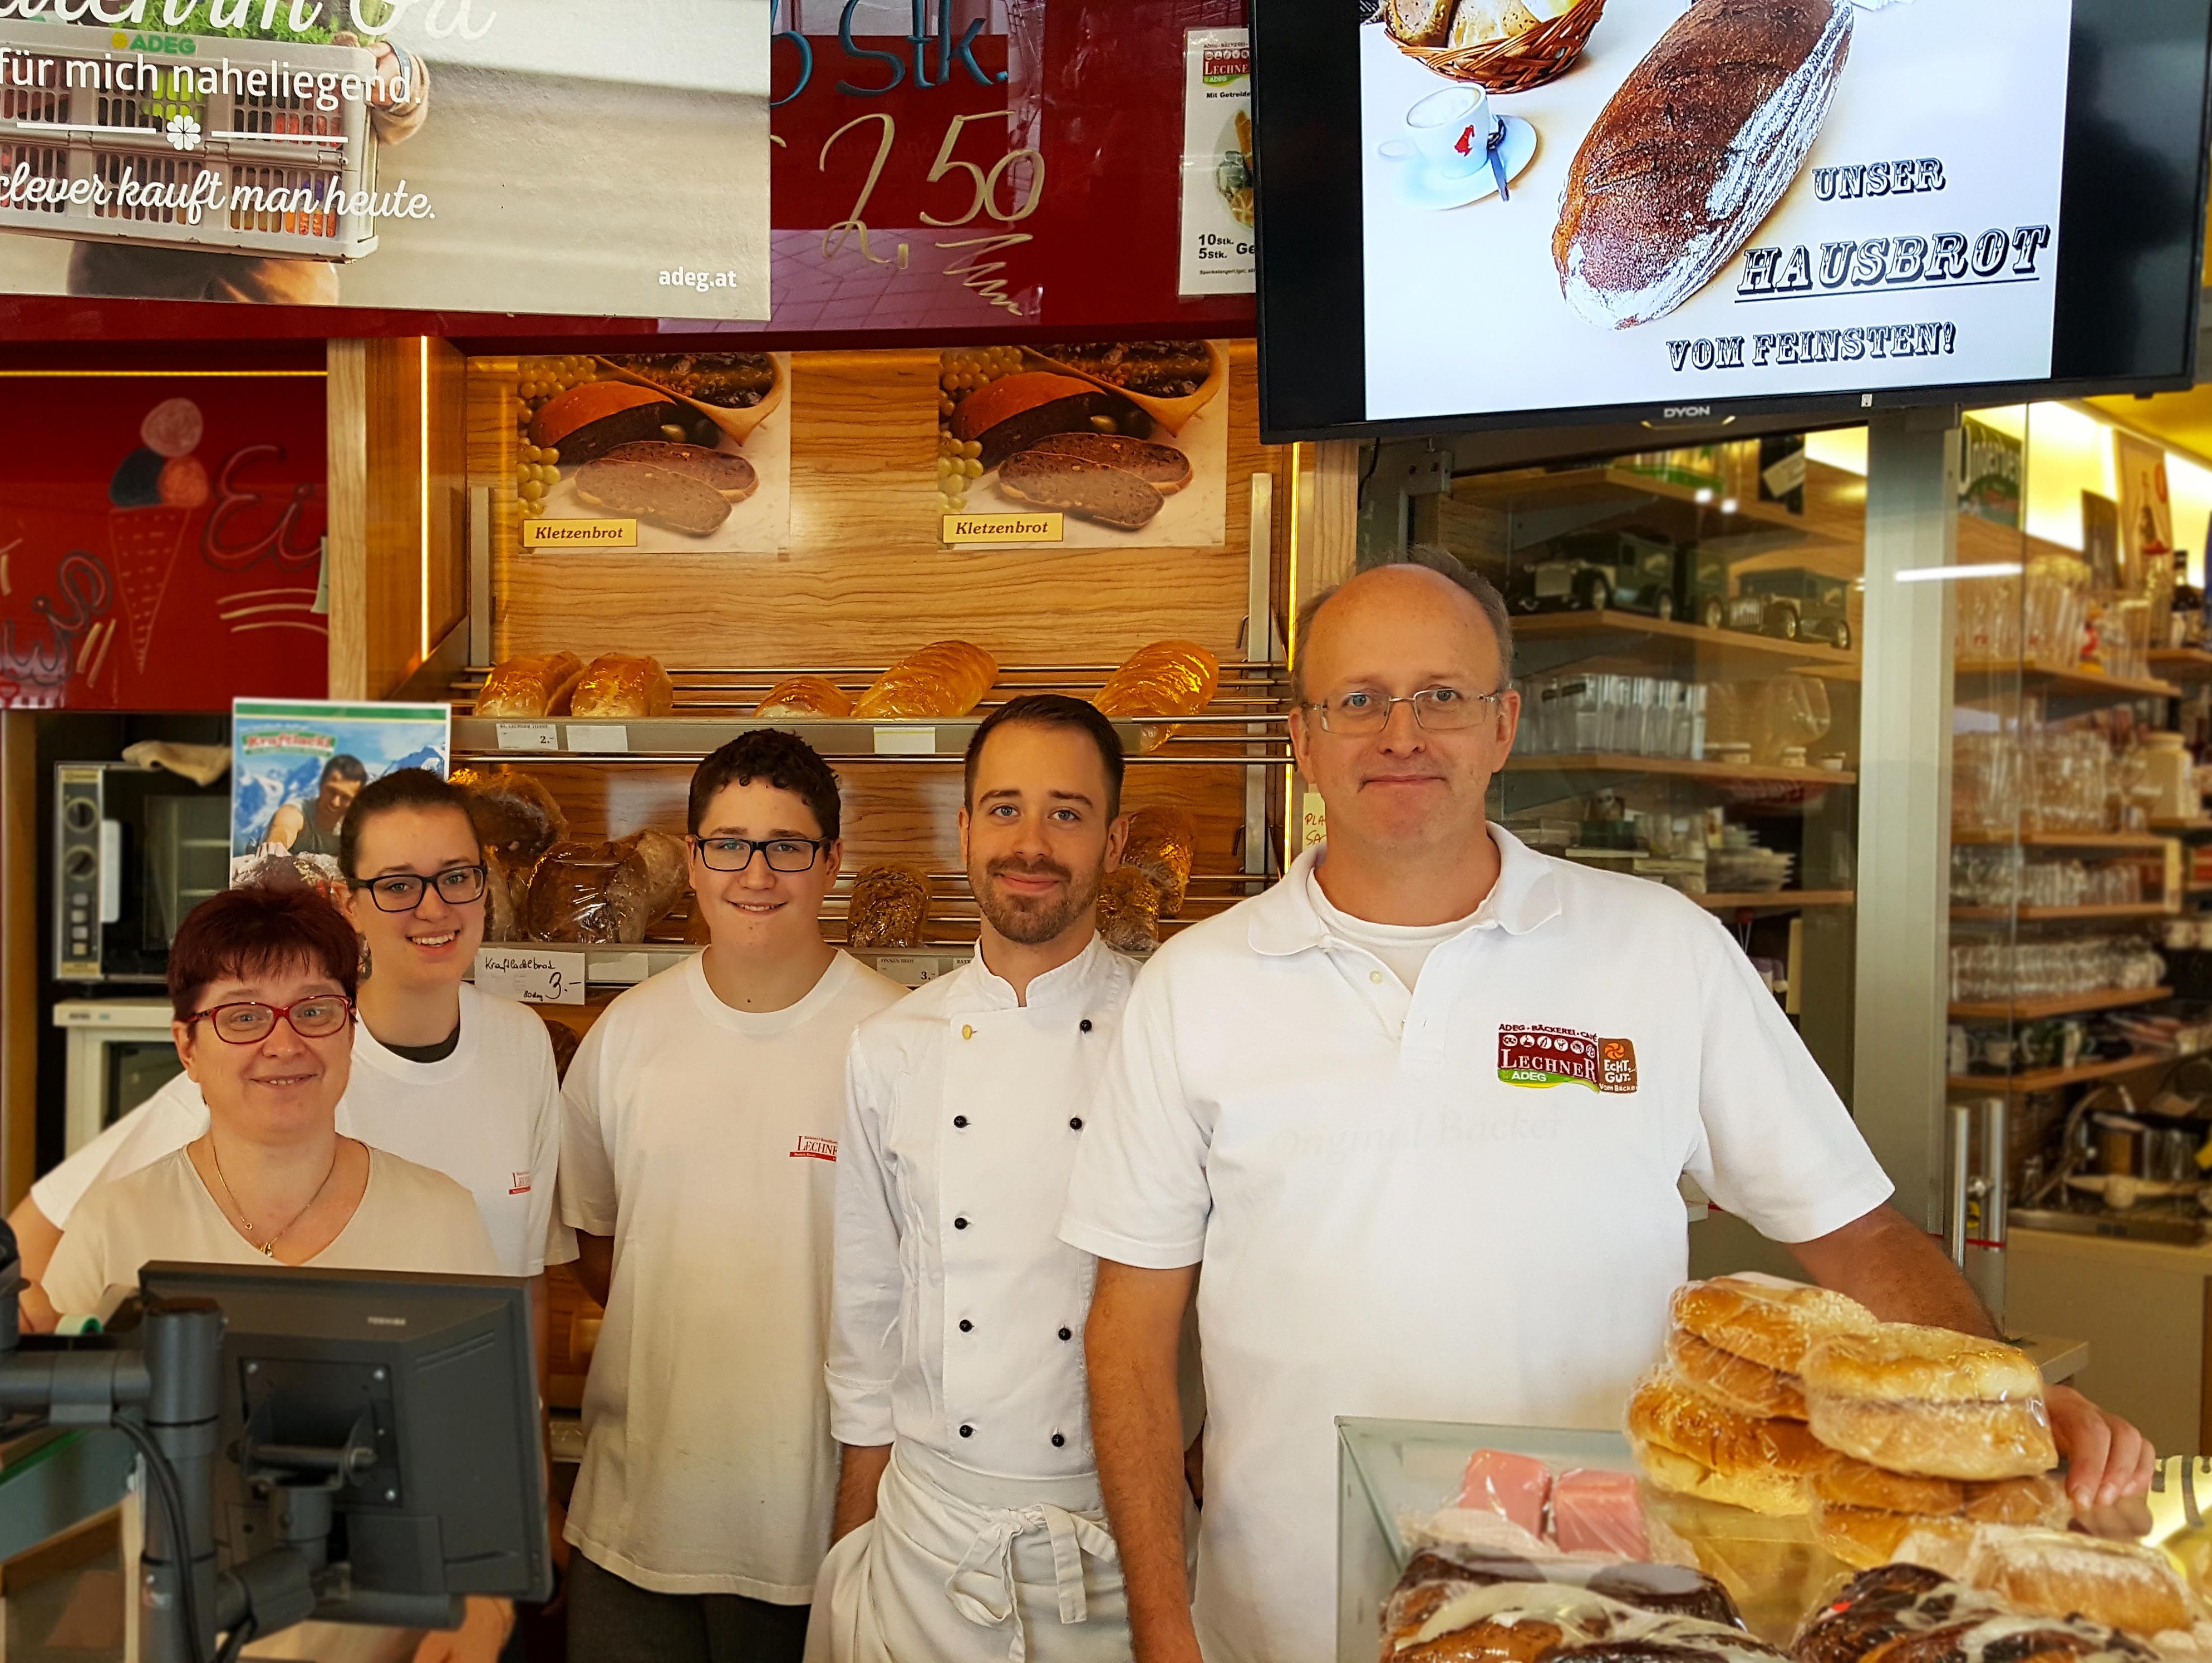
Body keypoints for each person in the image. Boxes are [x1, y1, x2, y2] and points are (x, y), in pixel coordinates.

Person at [1062, 549, 2160, 1663]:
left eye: (1441, 695)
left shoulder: (1656, 948)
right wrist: (1163, 1627)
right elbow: (1129, 1336)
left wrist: (2005, 1410)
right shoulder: (1196, 987)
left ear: (1503, 724)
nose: (1402, 734)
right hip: (1286, 1624)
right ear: (1302, 737)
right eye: (1358, 700)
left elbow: (1856, 1235)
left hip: (1609, 1616)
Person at [33, 878, 515, 1663]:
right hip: (170, 1640)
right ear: (187, 1046)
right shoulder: (117, 1223)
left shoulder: (441, 1217)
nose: (284, 1044)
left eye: (315, 1010)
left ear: (350, 1031)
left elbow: (485, 1458)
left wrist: (486, 1606)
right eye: (243, 1015)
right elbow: (57, 1473)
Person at [558, 730, 904, 1663]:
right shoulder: (626, 1036)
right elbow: (599, 1245)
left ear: (832, 860)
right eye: (728, 844)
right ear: (693, 858)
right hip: (634, 1523)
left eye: (786, 846)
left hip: (822, 1535)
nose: (756, 873)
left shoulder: (895, 1042)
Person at [814, 696, 1138, 1663]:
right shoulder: (889, 1047)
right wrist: (852, 1554)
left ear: (1114, 840)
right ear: (963, 830)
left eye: (1066, 813)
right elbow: (866, 1323)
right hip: (928, 1547)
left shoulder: (1169, 1036)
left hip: (1122, 1542)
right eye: (1004, 809)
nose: (1030, 843)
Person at [9, 767, 572, 1325]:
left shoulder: (521, 1042)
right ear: (350, 905)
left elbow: (526, 1282)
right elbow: (42, 1244)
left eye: (457, 876)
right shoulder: (266, 1068)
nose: (434, 908)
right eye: (398, 885)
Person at [67, 37, 430, 304]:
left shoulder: (318, 13)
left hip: (276, 289)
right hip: (129, 281)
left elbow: (397, 108)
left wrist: (398, 74)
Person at [266, 754, 372, 858]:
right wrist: (276, 845)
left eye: (345, 797)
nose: (335, 802)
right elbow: (284, 828)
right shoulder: (297, 811)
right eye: (331, 791)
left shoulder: (358, 828)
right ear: (321, 784)